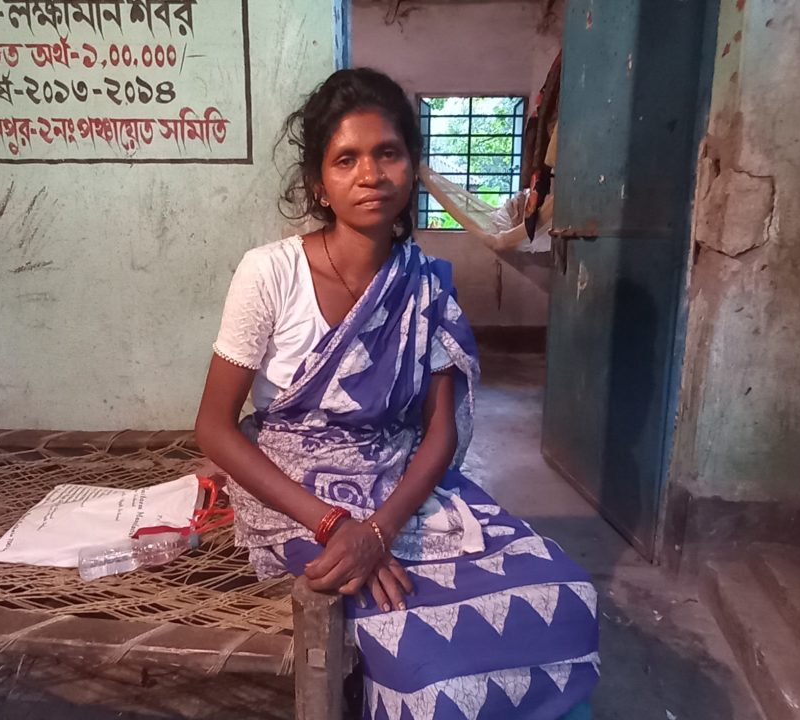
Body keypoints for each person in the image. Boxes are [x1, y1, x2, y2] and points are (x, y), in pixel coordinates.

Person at [195, 68, 598, 720]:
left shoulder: (426, 284)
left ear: (413, 168)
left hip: (400, 479)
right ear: (316, 183)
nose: (370, 174)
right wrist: (337, 527)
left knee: (564, 596)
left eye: (388, 153)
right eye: (346, 159)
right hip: (296, 485)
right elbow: (214, 427)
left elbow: (437, 434)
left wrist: (380, 530)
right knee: (419, 651)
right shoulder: (269, 273)